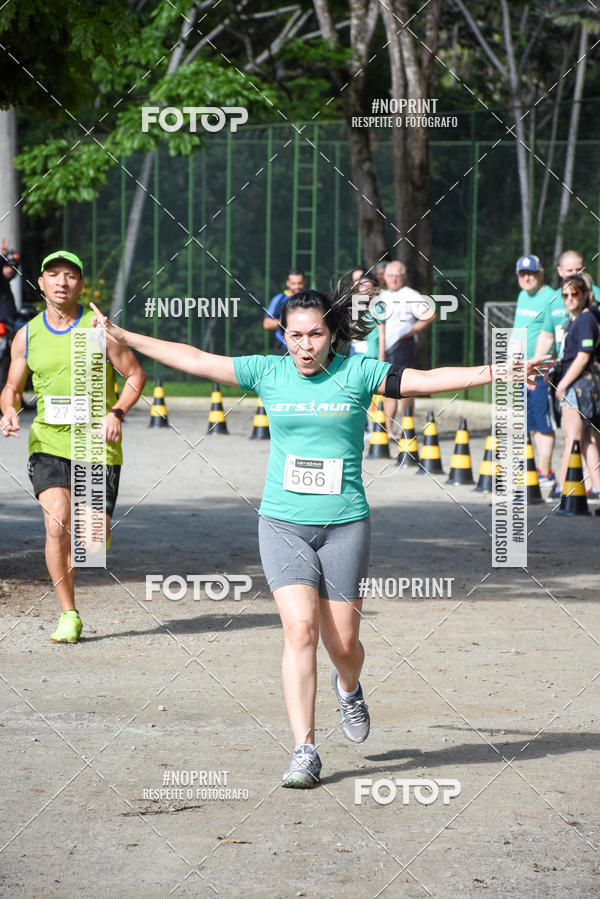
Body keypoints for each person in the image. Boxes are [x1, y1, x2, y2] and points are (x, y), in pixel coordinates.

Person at [88, 279, 549, 789]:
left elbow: (426, 379)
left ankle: (348, 687)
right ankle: (304, 748)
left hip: (345, 524)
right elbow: (195, 358)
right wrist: (122, 334)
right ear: (282, 335)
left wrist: (498, 370)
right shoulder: (268, 371)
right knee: (299, 631)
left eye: (314, 335)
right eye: (295, 335)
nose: (304, 345)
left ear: (332, 335)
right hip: (282, 523)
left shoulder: (358, 372)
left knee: (344, 643)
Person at [0, 250, 146, 643]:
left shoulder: (99, 329)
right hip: (47, 440)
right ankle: (68, 613)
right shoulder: (27, 334)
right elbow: (12, 387)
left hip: (95, 445)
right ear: (42, 283)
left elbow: (135, 374)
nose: (62, 282)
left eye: (71, 276)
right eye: (54, 274)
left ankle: (96, 533)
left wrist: (116, 412)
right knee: (55, 523)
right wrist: (10, 411)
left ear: (81, 285)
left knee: (91, 541)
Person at [551, 275, 600, 499]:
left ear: (584, 295)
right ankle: (598, 488)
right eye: (565, 295)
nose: (569, 299)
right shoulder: (575, 319)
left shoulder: (586, 320)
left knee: (572, 439)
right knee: (587, 440)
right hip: (581, 383)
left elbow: (582, 357)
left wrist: (562, 384)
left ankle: (563, 487)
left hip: (580, 385)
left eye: (575, 294)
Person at [512, 254, 556, 484]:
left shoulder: (551, 297)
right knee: (529, 422)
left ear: (541, 273)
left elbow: (554, 334)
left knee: (542, 420)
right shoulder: (522, 296)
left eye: (531, 273)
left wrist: (545, 367)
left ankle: (546, 471)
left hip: (540, 372)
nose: (527, 278)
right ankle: (537, 469)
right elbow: (519, 331)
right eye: (522, 274)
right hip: (521, 371)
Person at [379, 260, 435, 435]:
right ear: (385, 277)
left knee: (403, 387)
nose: (394, 280)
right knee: (387, 388)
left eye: (398, 276)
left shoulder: (410, 294)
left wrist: (411, 331)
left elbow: (430, 314)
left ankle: (406, 426)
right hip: (384, 347)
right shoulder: (381, 295)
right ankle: (388, 429)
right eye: (391, 276)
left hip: (403, 346)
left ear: (403, 277)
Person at [263, 269, 306, 353]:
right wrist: (289, 323)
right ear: (288, 283)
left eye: (299, 283)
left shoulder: (310, 298)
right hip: (283, 348)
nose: (297, 286)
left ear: (304, 282)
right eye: (294, 283)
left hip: (305, 346)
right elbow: (266, 323)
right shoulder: (279, 299)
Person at [0, 238, 19, 329]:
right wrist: (2, 256)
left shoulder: (6, 284)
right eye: (7, 266)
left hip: (10, 325)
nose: (10, 270)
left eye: (13, 267)